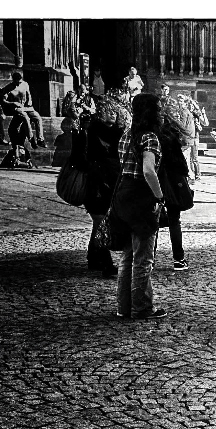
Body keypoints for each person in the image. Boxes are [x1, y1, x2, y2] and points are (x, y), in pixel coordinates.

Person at [115, 93, 167, 320]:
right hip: (141, 198)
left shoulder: (127, 135)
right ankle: (142, 308)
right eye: (158, 108)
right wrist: (160, 196)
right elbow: (148, 170)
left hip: (123, 196)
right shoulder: (150, 138)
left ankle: (123, 307)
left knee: (128, 256)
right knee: (143, 258)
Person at [75, 94, 130, 278]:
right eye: (109, 111)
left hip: (112, 183)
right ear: (101, 113)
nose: (113, 115)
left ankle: (92, 257)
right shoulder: (91, 131)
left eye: (115, 112)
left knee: (99, 223)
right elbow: (82, 157)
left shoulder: (118, 133)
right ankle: (107, 264)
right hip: (96, 183)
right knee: (101, 221)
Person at [160, 94, 195, 271]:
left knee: (154, 222)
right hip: (171, 181)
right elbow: (178, 162)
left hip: (158, 179)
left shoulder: (154, 131)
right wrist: (185, 173)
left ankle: (148, 259)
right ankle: (178, 259)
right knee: (174, 221)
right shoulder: (169, 134)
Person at [1, 71, 46, 148]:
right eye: (17, 82)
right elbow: (4, 100)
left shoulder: (25, 84)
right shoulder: (8, 88)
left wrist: (29, 102)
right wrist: (13, 103)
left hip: (27, 107)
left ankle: (40, 139)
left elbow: (28, 94)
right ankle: (31, 138)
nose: (19, 83)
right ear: (14, 80)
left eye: (20, 81)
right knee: (25, 117)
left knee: (37, 117)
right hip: (17, 108)